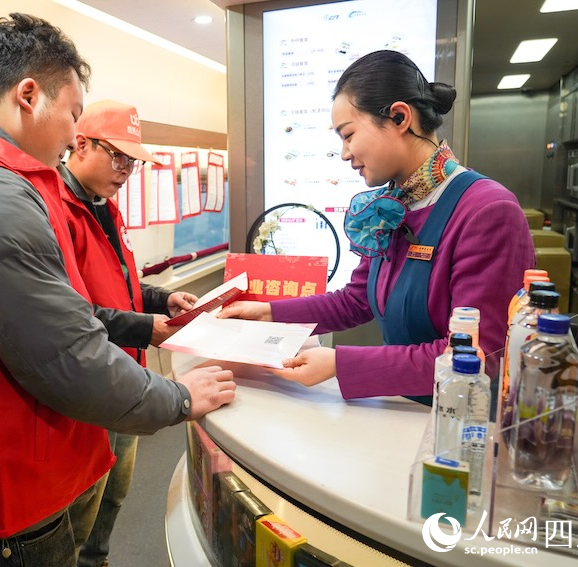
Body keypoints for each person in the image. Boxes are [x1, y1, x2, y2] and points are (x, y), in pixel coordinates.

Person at [0, 13, 235, 567]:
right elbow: (67, 354)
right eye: (72, 115)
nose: (70, 134)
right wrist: (179, 399)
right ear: (29, 96)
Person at [220, 50, 534, 400]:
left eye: (349, 134)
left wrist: (341, 363)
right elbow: (356, 301)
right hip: (402, 410)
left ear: (400, 117)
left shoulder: (487, 210)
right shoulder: (394, 206)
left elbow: (479, 355)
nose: (344, 153)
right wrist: (267, 313)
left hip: (458, 422)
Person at [57, 99, 194, 567]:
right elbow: (71, 313)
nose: (126, 170)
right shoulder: (54, 211)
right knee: (81, 505)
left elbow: (119, 283)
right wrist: (142, 327)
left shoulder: (105, 209)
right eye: (118, 156)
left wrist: (159, 300)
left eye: (132, 161)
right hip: (89, 385)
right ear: (80, 144)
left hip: (127, 375)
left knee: (115, 495)